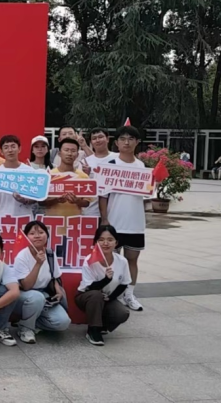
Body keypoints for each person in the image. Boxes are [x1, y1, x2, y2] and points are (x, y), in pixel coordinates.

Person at [99, 125, 145, 312]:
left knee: (132, 260)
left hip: (135, 223)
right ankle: (112, 293)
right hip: (114, 222)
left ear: (137, 142)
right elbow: (103, 196)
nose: (127, 142)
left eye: (131, 139)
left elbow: (147, 193)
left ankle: (129, 294)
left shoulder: (141, 166)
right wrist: (104, 219)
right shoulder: (110, 165)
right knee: (112, 260)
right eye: (123, 139)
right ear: (116, 143)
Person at [12, 221, 71, 344]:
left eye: (41, 232)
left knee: (63, 323)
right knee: (36, 297)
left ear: (47, 235)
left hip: (44, 295)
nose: (37, 236)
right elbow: (26, 286)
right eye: (32, 233)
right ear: (26, 237)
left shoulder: (49, 253)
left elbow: (54, 277)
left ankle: (31, 323)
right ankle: (26, 329)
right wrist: (38, 263)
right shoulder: (22, 256)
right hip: (25, 296)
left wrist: (59, 291)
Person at [75, 225, 131, 346]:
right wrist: (106, 279)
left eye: (110, 240)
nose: (106, 243)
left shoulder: (122, 261)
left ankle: (103, 326)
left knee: (122, 313)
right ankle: (93, 330)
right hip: (87, 297)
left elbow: (124, 283)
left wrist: (110, 298)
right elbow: (90, 287)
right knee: (96, 295)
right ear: (96, 243)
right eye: (101, 240)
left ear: (116, 243)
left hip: (107, 297)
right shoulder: (90, 261)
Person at [0, 135, 35, 229]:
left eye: (13, 146)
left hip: (24, 219)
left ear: (19, 149)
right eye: (6, 147)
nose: (10, 150)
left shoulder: (29, 171)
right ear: (1, 151)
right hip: (2, 219)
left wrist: (25, 200)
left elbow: (35, 197)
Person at [46, 138, 93, 219]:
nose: (69, 153)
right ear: (59, 153)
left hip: (74, 222)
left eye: (73, 151)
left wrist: (77, 201)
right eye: (66, 150)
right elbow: (41, 202)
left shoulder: (84, 177)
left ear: (77, 155)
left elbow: (86, 203)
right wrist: (56, 200)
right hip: (53, 222)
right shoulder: (49, 175)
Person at [84, 128, 118, 218]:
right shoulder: (85, 162)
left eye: (100, 137)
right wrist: (86, 175)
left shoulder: (118, 158)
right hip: (92, 212)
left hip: (115, 210)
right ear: (91, 142)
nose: (97, 140)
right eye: (94, 138)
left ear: (107, 139)